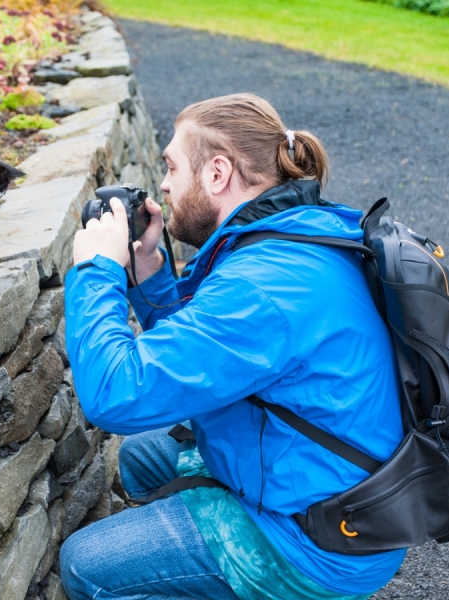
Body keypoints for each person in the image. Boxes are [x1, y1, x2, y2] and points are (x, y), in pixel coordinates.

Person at [59, 93, 405, 600]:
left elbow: (115, 394)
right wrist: (151, 273)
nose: (164, 184)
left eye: (172, 166)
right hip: (330, 481)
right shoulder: (289, 234)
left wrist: (97, 269)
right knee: (140, 460)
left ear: (218, 173)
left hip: (318, 542)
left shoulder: (259, 288)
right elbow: (208, 355)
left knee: (85, 564)